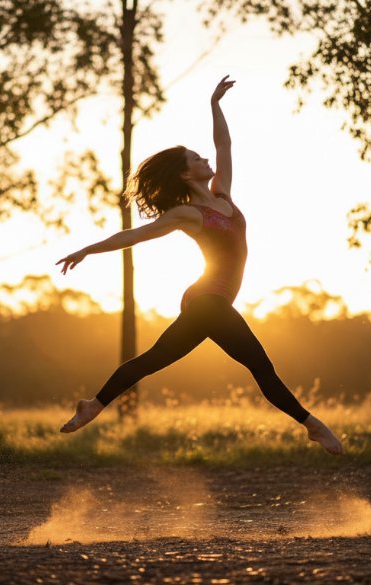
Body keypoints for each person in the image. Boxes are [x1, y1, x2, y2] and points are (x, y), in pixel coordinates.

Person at [55, 76, 344, 455]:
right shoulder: (189, 214)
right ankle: (312, 425)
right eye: (196, 158)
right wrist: (86, 250)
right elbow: (134, 236)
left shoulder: (223, 194)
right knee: (260, 365)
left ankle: (93, 405)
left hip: (208, 300)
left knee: (153, 360)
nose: (205, 159)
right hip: (209, 301)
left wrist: (215, 105)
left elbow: (223, 144)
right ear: (185, 174)